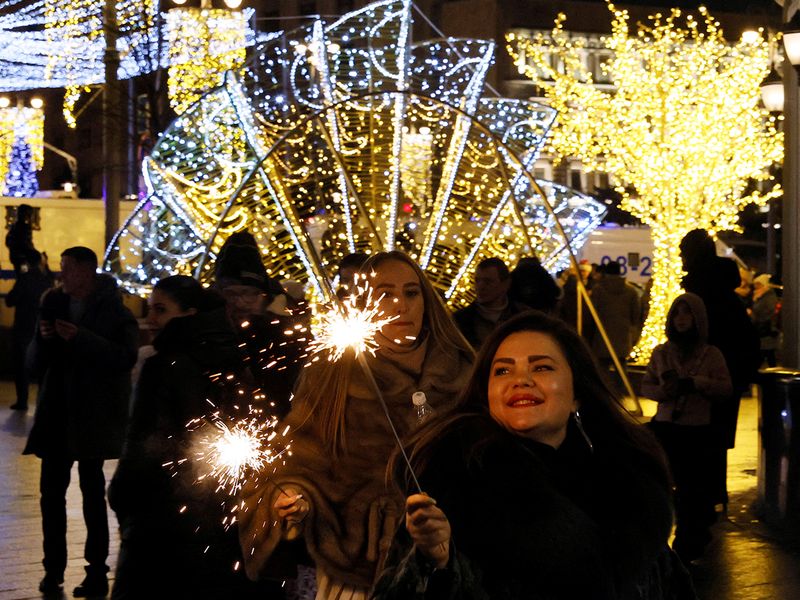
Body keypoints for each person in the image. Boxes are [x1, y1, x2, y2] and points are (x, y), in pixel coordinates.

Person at [372, 310, 695, 600]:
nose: (521, 380)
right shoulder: (452, 483)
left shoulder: (628, 484)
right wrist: (436, 562)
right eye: (502, 371)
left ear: (576, 395)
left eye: (541, 367)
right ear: (486, 395)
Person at [239, 250, 474, 599]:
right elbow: (293, 458)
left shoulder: (467, 371)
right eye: (385, 294)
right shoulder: (332, 375)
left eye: (411, 292)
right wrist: (293, 497)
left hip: (456, 559)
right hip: (357, 565)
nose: (401, 305)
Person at [108, 275, 275, 599]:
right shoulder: (234, 359)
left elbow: (142, 447)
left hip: (158, 526)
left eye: (160, 310)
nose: (151, 319)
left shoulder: (162, 366)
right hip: (219, 522)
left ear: (189, 314)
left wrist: (122, 497)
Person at [23, 246, 139, 596]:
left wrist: (81, 337)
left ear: (88, 272)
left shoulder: (115, 311)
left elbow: (124, 358)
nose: (63, 275)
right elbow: (35, 364)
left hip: (92, 416)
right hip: (56, 415)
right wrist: (44, 342)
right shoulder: (53, 303)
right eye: (62, 268)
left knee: (92, 495)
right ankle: (52, 569)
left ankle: (96, 571)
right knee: (50, 497)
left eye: (69, 268)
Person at [641, 293, 732, 563]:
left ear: (698, 318)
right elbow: (646, 385)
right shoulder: (662, 352)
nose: (681, 319)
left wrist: (698, 383)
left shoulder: (710, 354)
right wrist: (663, 391)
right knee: (666, 486)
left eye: (687, 313)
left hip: (696, 430)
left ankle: (689, 541)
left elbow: (725, 388)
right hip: (667, 428)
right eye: (677, 314)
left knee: (693, 488)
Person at [679, 229, 760, 510]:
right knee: (718, 433)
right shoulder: (727, 296)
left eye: (683, 251)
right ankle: (716, 492)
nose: (680, 257)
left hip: (706, 371)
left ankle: (704, 492)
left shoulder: (700, 295)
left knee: (700, 432)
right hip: (731, 371)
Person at [215, 231, 308, 419]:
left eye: (248, 293)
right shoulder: (213, 334)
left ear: (264, 295)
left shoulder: (289, 335)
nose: (240, 302)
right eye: (231, 294)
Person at [5, 249, 53, 410]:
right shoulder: (47, 278)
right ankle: (42, 400)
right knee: (42, 365)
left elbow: (10, 300)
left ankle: (22, 400)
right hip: (42, 326)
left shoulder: (24, 279)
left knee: (20, 365)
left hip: (23, 326)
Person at [453, 257, 529, 350]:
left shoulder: (523, 317)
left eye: (488, 281)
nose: (480, 287)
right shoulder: (460, 320)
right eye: (477, 281)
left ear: (506, 284)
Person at [589, 261, 641, 374]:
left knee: (602, 373)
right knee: (621, 372)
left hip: (602, 337)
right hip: (622, 337)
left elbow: (591, 314)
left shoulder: (598, 290)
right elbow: (635, 316)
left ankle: (604, 391)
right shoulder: (631, 291)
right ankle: (621, 391)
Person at [750, 273, 780, 368]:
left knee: (764, 355)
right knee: (769, 357)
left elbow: (768, 315)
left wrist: (753, 315)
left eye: (758, 285)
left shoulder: (768, 297)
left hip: (766, 332)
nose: (755, 287)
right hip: (763, 332)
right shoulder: (760, 296)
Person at [5, 203, 36, 275]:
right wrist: (33, 254)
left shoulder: (15, 227)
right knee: (24, 278)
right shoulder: (24, 228)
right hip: (23, 259)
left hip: (17, 258)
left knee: (22, 278)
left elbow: (8, 241)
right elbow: (26, 244)